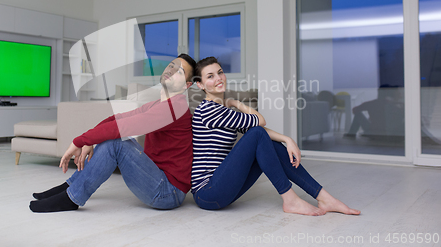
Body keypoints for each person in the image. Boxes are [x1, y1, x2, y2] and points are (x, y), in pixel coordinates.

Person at [191, 57, 360, 216]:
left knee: (264, 140)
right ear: (200, 84)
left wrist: (287, 139)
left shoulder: (222, 111)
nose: (219, 78)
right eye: (210, 76)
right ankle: (290, 199)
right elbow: (260, 122)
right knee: (257, 133)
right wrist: (236, 103)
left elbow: (258, 132)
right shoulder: (208, 110)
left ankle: (324, 197)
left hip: (222, 187)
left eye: (220, 72)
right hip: (208, 192)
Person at [30, 54, 197, 213]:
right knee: (113, 136)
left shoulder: (175, 108)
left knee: (117, 142)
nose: (171, 70)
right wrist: (89, 141)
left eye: (179, 72)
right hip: (156, 176)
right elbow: (117, 118)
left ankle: (71, 198)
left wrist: (79, 141)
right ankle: (70, 187)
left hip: (168, 192)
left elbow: (122, 127)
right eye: (171, 65)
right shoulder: (159, 104)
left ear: (186, 85)